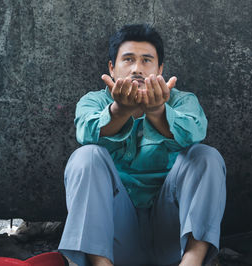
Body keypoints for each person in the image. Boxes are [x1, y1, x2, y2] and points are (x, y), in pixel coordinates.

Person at [58, 24, 226, 266]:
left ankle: (192, 262)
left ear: (160, 69)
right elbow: (86, 131)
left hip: (172, 239)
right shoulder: (93, 101)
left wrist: (158, 111)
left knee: (205, 156)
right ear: (112, 68)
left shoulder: (182, 100)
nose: (137, 68)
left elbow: (195, 132)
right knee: (86, 156)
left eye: (147, 60)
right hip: (115, 242)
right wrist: (119, 111)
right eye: (128, 60)